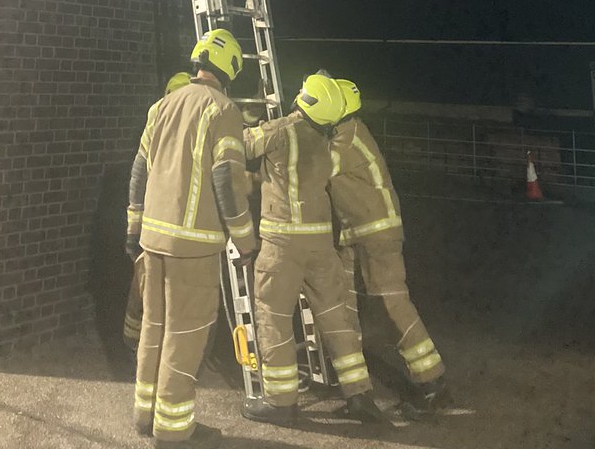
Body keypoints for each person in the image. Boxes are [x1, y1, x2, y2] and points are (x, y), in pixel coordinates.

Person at [243, 73, 400, 428]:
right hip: (321, 246)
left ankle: (281, 402)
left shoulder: (280, 130)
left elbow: (238, 146)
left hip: (282, 245)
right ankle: (360, 396)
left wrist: (248, 118)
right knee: (337, 319)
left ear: (305, 99)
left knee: (273, 316)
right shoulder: (328, 144)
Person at [126, 30, 256, 447]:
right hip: (194, 246)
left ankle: (144, 414)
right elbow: (226, 180)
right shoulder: (224, 110)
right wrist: (245, 239)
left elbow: (139, 171)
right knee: (186, 335)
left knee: (154, 328)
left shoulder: (162, 105)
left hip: (153, 239)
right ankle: (174, 428)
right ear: (231, 67)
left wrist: (133, 228)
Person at [330, 78, 450, 412]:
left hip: (375, 233)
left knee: (391, 303)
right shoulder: (344, 133)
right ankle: (358, 393)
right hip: (356, 233)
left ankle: (433, 381)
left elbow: (312, 169)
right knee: (344, 307)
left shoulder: (345, 138)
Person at [123, 72, 194, 351]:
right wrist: (133, 228)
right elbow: (139, 177)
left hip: (166, 229)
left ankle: (152, 348)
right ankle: (135, 345)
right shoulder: (164, 130)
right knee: (145, 289)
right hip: (159, 229)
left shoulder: (178, 130)